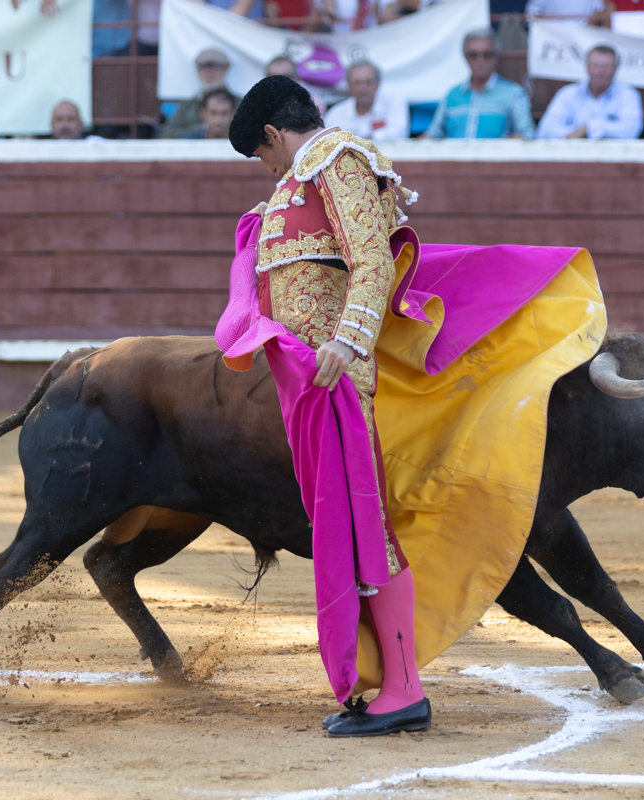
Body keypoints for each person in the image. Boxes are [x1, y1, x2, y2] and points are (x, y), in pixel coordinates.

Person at [224, 76, 429, 737]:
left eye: (262, 155)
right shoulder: (292, 186)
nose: (268, 168)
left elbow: (369, 258)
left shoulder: (336, 158)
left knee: (368, 530)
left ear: (273, 135)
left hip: (341, 381)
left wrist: (348, 338)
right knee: (342, 529)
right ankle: (385, 681)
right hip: (310, 391)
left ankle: (404, 690)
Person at [425, 29, 535, 139]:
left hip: (495, 156)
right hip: (455, 156)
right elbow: (432, 135)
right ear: (465, 57)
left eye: (486, 55)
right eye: (473, 55)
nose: (480, 61)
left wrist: (498, 147)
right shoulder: (452, 95)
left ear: (496, 56)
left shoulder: (513, 93)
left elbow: (527, 136)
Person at [536, 45, 643, 139]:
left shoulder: (628, 95)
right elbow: (545, 130)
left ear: (615, 68)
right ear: (587, 67)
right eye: (595, 65)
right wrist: (572, 134)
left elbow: (630, 130)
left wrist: (588, 129)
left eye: (606, 67)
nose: (600, 71)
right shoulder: (567, 93)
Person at [324, 61, 410, 141]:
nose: (363, 88)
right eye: (357, 83)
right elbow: (327, 141)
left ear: (377, 84)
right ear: (349, 86)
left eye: (368, 82)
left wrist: (358, 142)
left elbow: (399, 134)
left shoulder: (394, 102)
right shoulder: (335, 114)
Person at [162, 48, 236, 139]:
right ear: (197, 71)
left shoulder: (240, 102)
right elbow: (168, 133)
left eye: (215, 66)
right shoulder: (188, 105)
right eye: (204, 66)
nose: (209, 71)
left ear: (225, 70)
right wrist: (203, 128)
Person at [526, 0, 610, 25]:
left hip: (583, 37)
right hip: (551, 38)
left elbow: (600, 9)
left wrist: (588, 28)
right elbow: (532, 13)